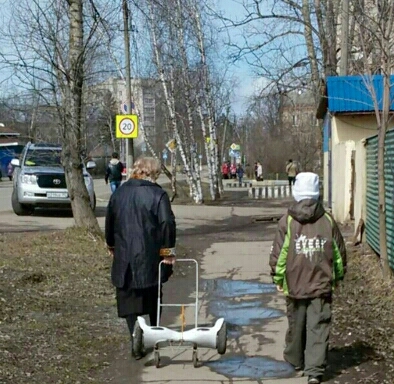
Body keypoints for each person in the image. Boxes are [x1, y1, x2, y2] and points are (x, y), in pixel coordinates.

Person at [269, 172, 346, 384]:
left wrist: (277, 275)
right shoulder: (328, 220)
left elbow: (280, 253)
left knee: (297, 322)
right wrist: (338, 276)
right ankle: (315, 371)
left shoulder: (288, 221)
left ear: (296, 193)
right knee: (318, 325)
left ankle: (295, 359)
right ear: (317, 193)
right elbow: (337, 253)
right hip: (321, 282)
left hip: (295, 282)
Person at [105, 156, 176, 360]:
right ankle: (153, 333)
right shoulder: (158, 194)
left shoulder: (118, 194)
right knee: (153, 295)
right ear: (152, 173)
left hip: (125, 255)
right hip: (151, 256)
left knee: (128, 298)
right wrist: (168, 253)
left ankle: (135, 336)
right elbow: (167, 225)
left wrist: (111, 245)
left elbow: (110, 222)